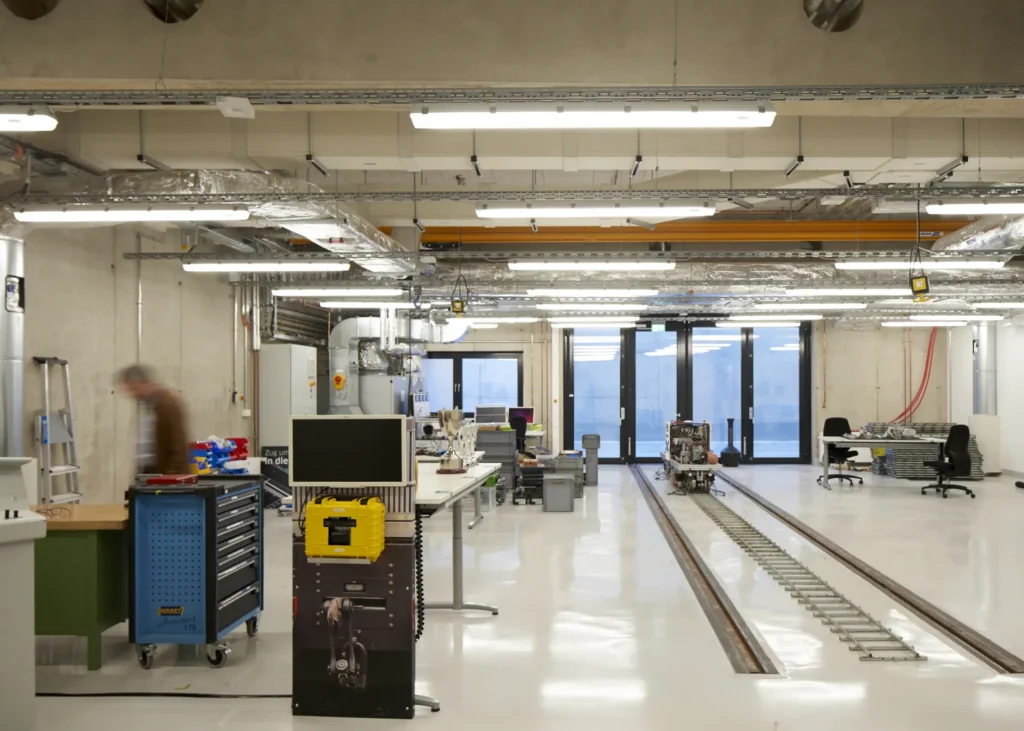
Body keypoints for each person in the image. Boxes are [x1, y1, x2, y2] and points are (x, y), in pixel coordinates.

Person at [118, 364, 189, 475]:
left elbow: (178, 445)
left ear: (147, 383)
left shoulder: (167, 405)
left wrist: (171, 479)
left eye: (135, 388)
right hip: (149, 472)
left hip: (165, 476)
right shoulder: (147, 405)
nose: (133, 394)